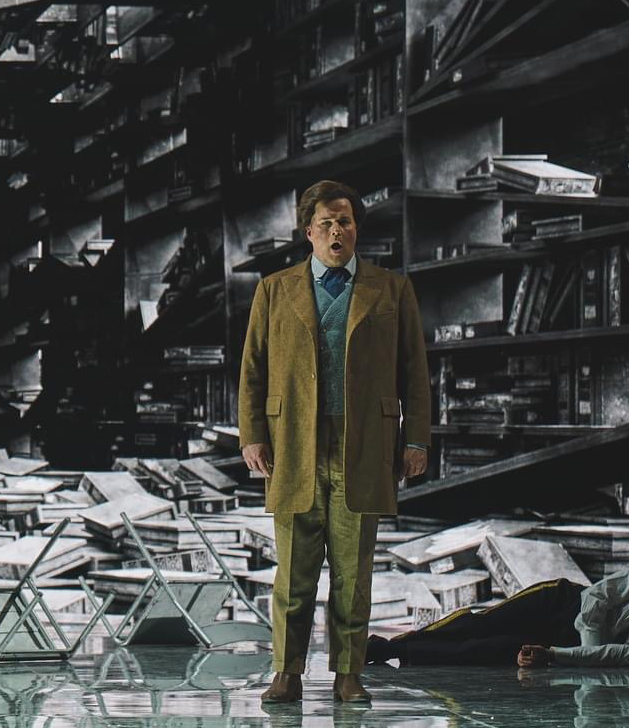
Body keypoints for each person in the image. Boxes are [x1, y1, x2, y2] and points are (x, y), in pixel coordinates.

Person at [238, 180, 431, 703]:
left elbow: (414, 371)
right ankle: (287, 672)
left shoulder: (391, 289)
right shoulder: (274, 290)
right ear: (309, 232)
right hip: (292, 444)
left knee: (353, 571)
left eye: (344, 221)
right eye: (325, 223)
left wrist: (416, 439)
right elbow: (252, 369)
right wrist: (252, 435)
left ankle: (349, 673)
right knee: (293, 572)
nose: (335, 231)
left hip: (363, 443)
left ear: (356, 228)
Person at [366, 570, 629, 669]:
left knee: (483, 650)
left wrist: (553, 655)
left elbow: (618, 655)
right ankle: (389, 646)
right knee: (480, 624)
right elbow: (597, 597)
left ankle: (405, 653)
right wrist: (588, 650)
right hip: (560, 603)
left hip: (568, 644)